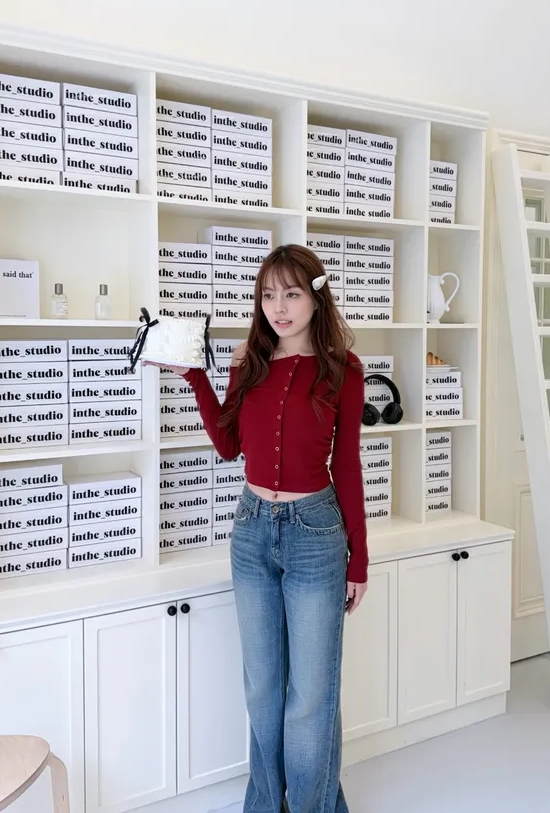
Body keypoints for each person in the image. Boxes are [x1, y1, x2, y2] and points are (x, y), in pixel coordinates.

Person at [169, 243, 368, 813]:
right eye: (268, 295)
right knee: (262, 687)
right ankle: (263, 805)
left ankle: (311, 806)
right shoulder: (249, 363)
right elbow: (229, 445)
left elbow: (346, 464)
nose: (278, 307)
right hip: (252, 531)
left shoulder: (343, 370)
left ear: (317, 297)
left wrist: (357, 559)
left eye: (292, 294)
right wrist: (197, 378)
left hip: (315, 535)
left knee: (311, 694)